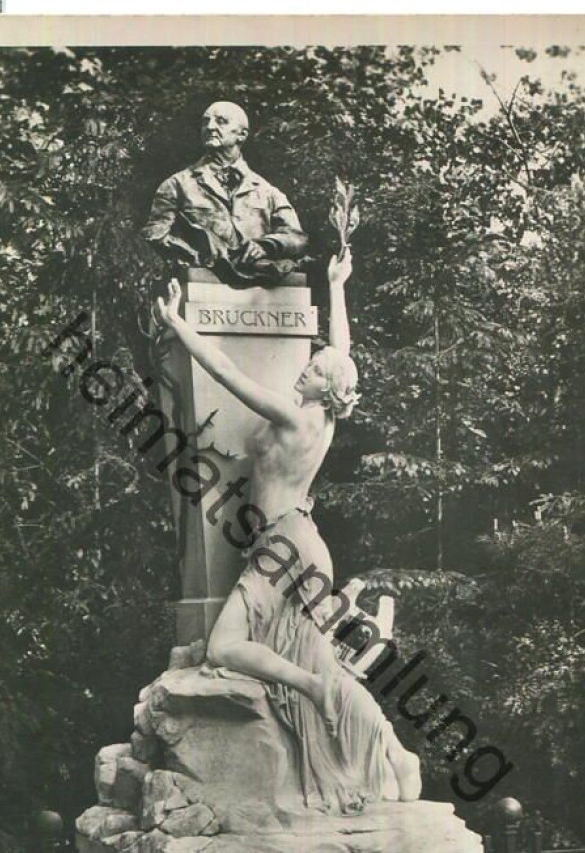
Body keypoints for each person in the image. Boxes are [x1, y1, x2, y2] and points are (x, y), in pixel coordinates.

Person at [156, 249, 421, 813]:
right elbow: (343, 352)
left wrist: (180, 326)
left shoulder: (296, 415)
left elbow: (226, 373)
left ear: (325, 390)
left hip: (282, 547)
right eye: (312, 362)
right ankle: (391, 750)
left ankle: (312, 690)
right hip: (296, 543)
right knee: (317, 654)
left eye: (316, 370)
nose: (308, 366)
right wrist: (337, 286)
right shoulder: (324, 415)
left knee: (228, 646)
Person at [143, 101, 308, 284]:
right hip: (204, 280)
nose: (210, 127)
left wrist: (266, 246)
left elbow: (297, 238)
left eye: (221, 121)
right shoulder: (177, 185)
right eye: (205, 122)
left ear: (242, 135)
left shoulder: (267, 192)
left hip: (262, 280)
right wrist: (195, 253)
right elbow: (155, 233)